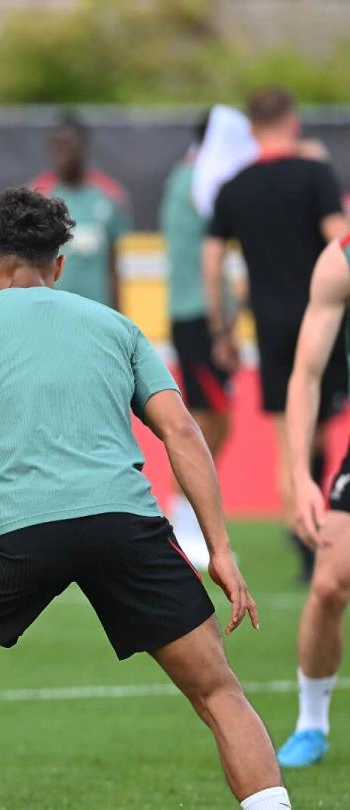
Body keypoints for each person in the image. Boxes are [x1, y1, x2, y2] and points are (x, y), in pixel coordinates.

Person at [0, 186, 287, 810]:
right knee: (217, 690)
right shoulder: (116, 326)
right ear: (58, 264)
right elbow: (182, 432)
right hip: (127, 527)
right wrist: (220, 548)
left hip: (18, 533)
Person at [204, 86, 349, 584]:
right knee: (325, 421)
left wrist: (221, 324)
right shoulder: (315, 174)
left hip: (267, 321)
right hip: (322, 312)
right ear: (293, 120)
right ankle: (318, 528)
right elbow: (339, 237)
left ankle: (301, 529)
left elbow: (212, 259)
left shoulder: (234, 186)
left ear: (250, 129)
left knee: (287, 429)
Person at [280, 233, 350, 768]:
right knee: (328, 584)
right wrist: (301, 474)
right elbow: (306, 375)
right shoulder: (341, 258)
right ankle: (311, 723)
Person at [162, 112, 234, 568]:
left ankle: (187, 516)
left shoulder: (187, 177)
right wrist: (221, 324)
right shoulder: (199, 180)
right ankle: (181, 518)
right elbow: (211, 261)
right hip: (198, 318)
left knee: (215, 423)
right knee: (206, 424)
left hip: (196, 316)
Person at [28, 112, 130, 310]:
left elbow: (114, 265)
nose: (60, 154)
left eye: (66, 146)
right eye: (55, 147)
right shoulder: (38, 196)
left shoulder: (110, 195)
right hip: (54, 312)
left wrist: (120, 316)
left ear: (82, 146)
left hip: (97, 310)